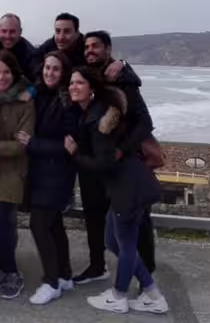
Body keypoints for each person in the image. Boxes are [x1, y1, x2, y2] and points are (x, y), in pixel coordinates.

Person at [68, 67, 168, 315]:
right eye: (71, 83)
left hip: (128, 187)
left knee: (124, 244)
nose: (73, 87)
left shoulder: (98, 119)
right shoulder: (94, 113)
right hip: (124, 186)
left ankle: (118, 296)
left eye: (79, 83)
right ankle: (153, 295)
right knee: (113, 241)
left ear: (92, 88)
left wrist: (76, 154)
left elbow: (105, 163)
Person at [84, 30, 161, 275]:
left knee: (138, 223)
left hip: (129, 163)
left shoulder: (123, 80)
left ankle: (146, 277)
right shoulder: (96, 77)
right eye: (87, 47)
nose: (90, 51)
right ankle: (138, 277)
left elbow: (145, 123)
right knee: (117, 231)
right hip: (109, 164)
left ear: (108, 49)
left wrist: (122, 150)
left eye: (95, 46)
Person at [16, 51, 77, 305]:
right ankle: (64, 275)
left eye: (55, 69)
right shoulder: (38, 92)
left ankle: (51, 282)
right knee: (54, 226)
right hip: (41, 172)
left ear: (63, 73)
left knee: (38, 225)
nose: (49, 73)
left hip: (57, 174)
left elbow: (68, 147)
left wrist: (33, 143)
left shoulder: (68, 102)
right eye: (47, 68)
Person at [0, 50, 35, 300]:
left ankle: (13, 273)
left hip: (13, 172)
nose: (1, 76)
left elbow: (22, 144)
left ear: (14, 73)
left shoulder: (25, 101)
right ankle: (4, 268)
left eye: (6, 72)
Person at [0, 14, 37, 82]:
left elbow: (37, 80)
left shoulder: (30, 53)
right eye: (4, 31)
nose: (8, 36)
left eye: (12, 31)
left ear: (20, 32)